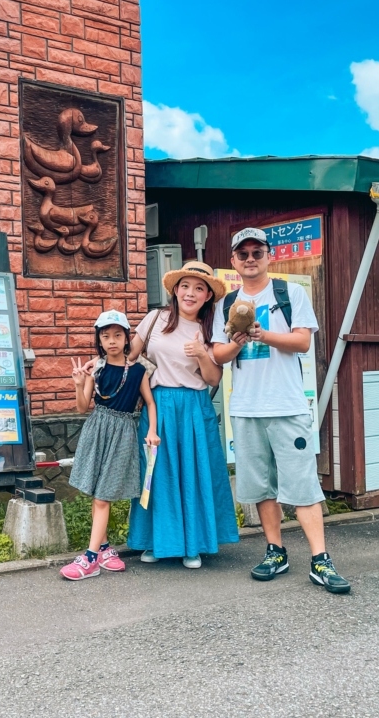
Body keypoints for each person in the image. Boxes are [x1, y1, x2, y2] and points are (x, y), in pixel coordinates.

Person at [212, 228, 351, 594]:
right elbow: (217, 355)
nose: (250, 259)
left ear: (269, 256)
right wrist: (237, 342)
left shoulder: (290, 294)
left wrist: (261, 334)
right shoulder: (225, 304)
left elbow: (303, 341)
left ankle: (320, 559)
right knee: (260, 488)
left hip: (287, 405)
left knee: (302, 484)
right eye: (243, 254)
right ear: (233, 262)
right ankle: (276, 551)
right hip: (244, 407)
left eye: (257, 252)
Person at [127, 261, 239, 568]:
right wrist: (97, 370)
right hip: (157, 404)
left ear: (207, 297)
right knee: (156, 472)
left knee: (195, 472)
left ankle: (194, 545)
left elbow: (214, 378)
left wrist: (203, 354)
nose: (190, 293)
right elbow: (130, 356)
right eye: (185, 286)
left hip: (193, 405)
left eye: (199, 288)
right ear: (175, 290)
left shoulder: (210, 328)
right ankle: (155, 541)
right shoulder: (154, 319)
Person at [60, 310, 160, 581]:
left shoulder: (139, 369)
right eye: (106, 336)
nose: (112, 341)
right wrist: (79, 384)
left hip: (124, 432)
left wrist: (152, 430)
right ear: (99, 340)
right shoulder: (97, 368)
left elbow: (150, 402)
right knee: (95, 492)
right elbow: (82, 408)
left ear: (127, 338)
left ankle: (90, 558)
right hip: (97, 428)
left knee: (103, 496)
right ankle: (103, 549)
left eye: (118, 335)